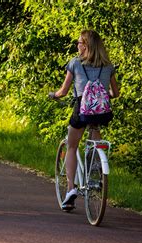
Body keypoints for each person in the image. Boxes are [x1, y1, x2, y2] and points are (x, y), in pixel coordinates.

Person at [49, 29, 120, 210]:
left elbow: (63, 91)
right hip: (101, 111)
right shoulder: (108, 66)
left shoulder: (75, 64)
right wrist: (102, 95)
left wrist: (54, 95)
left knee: (72, 146)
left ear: (86, 46)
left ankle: (71, 189)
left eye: (80, 42)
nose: (77, 45)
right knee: (95, 136)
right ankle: (95, 171)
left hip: (81, 108)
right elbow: (115, 93)